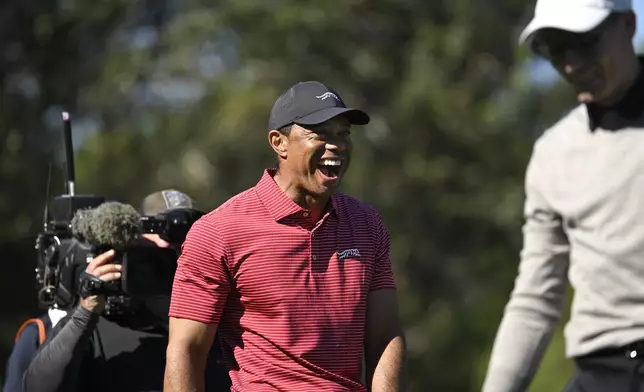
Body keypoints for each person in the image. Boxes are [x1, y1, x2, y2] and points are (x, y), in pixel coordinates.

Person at [164, 81, 407, 392]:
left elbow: (385, 337)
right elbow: (186, 351)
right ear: (279, 142)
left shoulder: (366, 223)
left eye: (343, 133)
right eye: (320, 133)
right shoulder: (218, 231)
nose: (337, 145)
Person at [481, 0, 644, 391]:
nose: (571, 65)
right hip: (601, 374)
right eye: (555, 50)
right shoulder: (553, 154)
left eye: (584, 43)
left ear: (627, 24)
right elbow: (536, 298)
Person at [22, 189, 230, 392]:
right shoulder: (95, 324)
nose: (172, 266)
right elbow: (37, 385)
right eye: (158, 256)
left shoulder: (221, 327)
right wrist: (85, 312)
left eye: (186, 252)